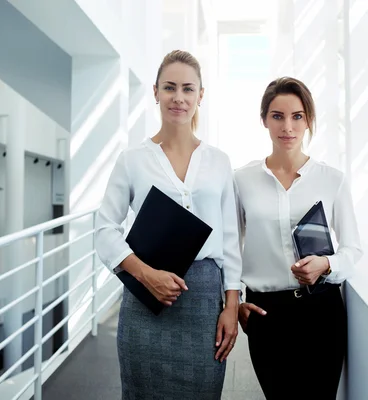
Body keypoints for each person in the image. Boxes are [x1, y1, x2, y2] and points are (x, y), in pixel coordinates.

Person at [94, 50, 242, 400]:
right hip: (145, 303)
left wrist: (232, 305)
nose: (179, 98)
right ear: (156, 91)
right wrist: (146, 275)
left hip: (204, 299)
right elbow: (104, 229)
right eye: (170, 87)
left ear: (200, 95)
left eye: (188, 89)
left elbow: (232, 239)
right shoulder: (132, 160)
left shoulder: (219, 162)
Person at [234, 77, 363, 399]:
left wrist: (327, 264)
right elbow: (229, 248)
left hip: (321, 311)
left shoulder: (331, 180)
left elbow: (353, 249)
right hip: (265, 313)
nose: (287, 126)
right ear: (264, 119)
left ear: (308, 120)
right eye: (277, 116)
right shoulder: (241, 180)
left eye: (297, 116)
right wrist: (234, 299)